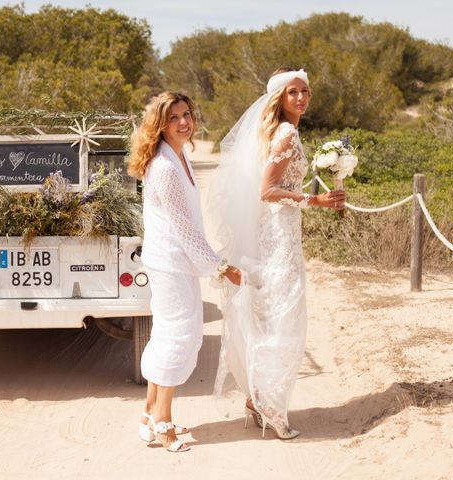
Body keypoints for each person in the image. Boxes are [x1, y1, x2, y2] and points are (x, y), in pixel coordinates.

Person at [209, 68, 345, 439]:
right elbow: (267, 190)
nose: (301, 98)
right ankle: (268, 402)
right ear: (279, 99)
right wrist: (312, 199)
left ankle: (260, 398)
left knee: (273, 311)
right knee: (282, 313)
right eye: (293, 93)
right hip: (278, 234)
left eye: (305, 91)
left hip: (281, 229)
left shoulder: (284, 131)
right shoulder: (285, 132)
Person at [127, 91, 241, 452]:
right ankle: (163, 422)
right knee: (180, 337)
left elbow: (188, 224)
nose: (183, 122)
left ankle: (148, 412)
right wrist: (219, 267)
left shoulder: (179, 156)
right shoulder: (163, 166)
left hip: (177, 262)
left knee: (170, 334)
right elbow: (183, 228)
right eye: (174, 117)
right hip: (171, 263)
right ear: (160, 124)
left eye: (187, 114)